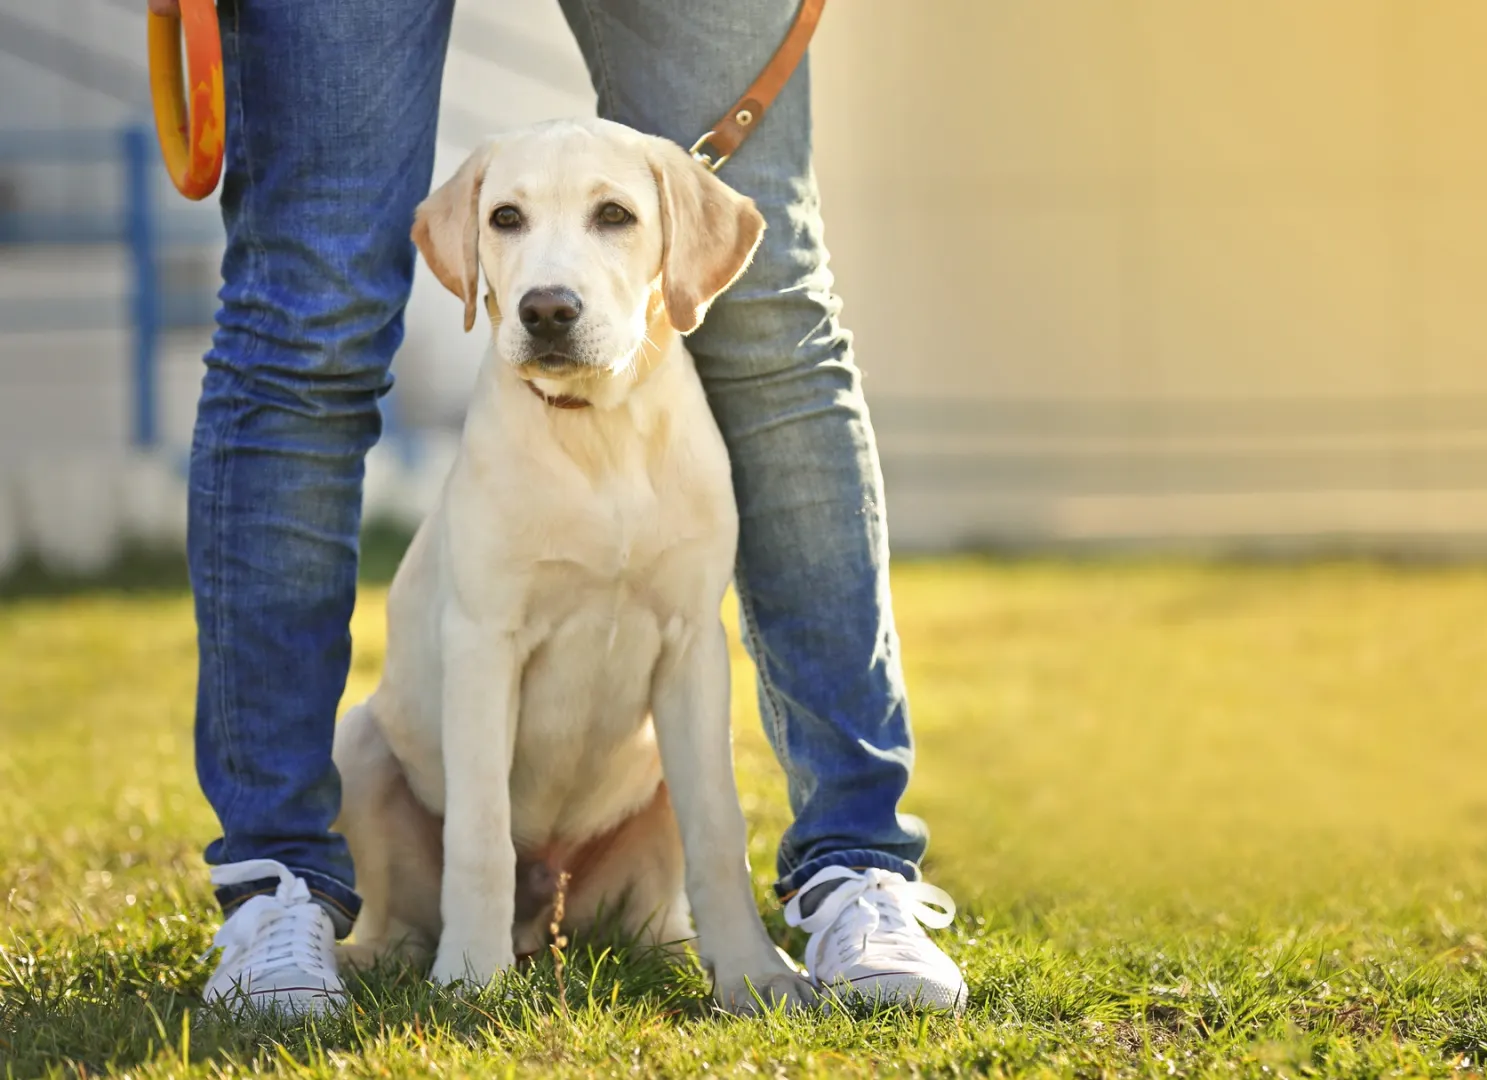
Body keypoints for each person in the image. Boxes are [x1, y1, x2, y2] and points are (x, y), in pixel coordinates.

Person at [154, 0, 965, 1015]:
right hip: (440, 792)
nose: (549, 287)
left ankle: (853, 866)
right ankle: (279, 887)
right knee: (307, 311)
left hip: (610, 797)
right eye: (510, 227)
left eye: (614, 219)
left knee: (773, 319)